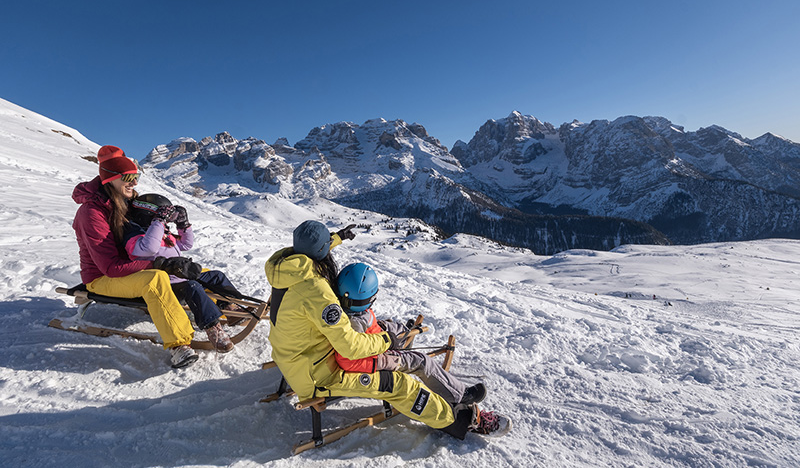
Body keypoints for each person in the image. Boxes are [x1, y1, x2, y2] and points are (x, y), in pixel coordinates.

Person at [265, 220, 504, 439]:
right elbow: (349, 347)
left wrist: (338, 237)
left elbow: (316, 249)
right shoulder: (316, 290)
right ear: (320, 253)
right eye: (327, 245)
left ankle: (441, 385)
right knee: (400, 385)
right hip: (318, 375)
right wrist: (385, 340)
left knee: (373, 326)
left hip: (292, 358)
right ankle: (464, 421)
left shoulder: (287, 269)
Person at [72, 145, 202, 369]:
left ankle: (221, 305)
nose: (134, 183)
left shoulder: (125, 200)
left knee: (191, 269)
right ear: (110, 180)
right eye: (128, 178)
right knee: (156, 280)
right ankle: (179, 346)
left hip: (132, 267)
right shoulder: (91, 214)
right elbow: (110, 268)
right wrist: (159, 264)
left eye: (136, 177)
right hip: (102, 278)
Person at [333, 262, 486, 407]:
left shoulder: (349, 311)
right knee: (421, 362)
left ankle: (402, 344)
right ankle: (459, 395)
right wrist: (384, 361)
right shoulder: (354, 323)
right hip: (374, 358)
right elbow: (348, 360)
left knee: (396, 327)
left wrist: (381, 328)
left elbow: (364, 328)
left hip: (375, 340)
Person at [122, 193, 243, 353]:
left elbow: (186, 244)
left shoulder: (161, 232)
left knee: (216, 276)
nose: (166, 220)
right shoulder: (134, 236)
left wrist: (183, 225)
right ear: (148, 215)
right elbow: (149, 248)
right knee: (193, 287)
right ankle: (213, 328)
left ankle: (230, 307)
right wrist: (158, 221)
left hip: (179, 274)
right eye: (164, 216)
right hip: (165, 283)